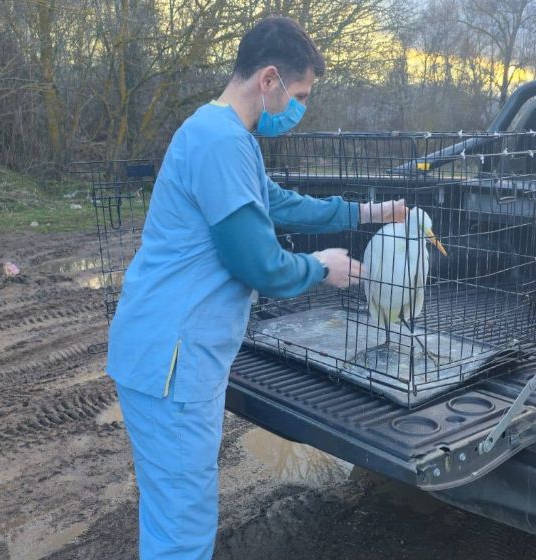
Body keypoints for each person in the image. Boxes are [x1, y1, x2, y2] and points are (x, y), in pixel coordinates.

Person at [105, 16, 405, 559]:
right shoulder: (221, 143)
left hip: (163, 350)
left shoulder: (219, 132)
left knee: (170, 506)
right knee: (184, 525)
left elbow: (278, 202)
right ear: (269, 79)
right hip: (173, 359)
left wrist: (365, 212)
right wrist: (322, 268)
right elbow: (258, 264)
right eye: (300, 95)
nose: (299, 109)